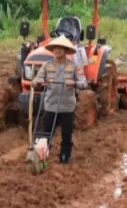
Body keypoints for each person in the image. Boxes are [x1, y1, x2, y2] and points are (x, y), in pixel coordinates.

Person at [31, 36, 88, 164]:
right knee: (45, 134)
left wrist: (74, 83)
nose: (58, 51)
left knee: (66, 134)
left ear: (66, 50)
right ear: (53, 50)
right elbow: (34, 82)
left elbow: (84, 83)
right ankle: (42, 155)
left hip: (67, 107)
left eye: (61, 49)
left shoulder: (74, 67)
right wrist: (38, 82)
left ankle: (64, 155)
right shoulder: (46, 66)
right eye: (56, 48)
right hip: (50, 105)